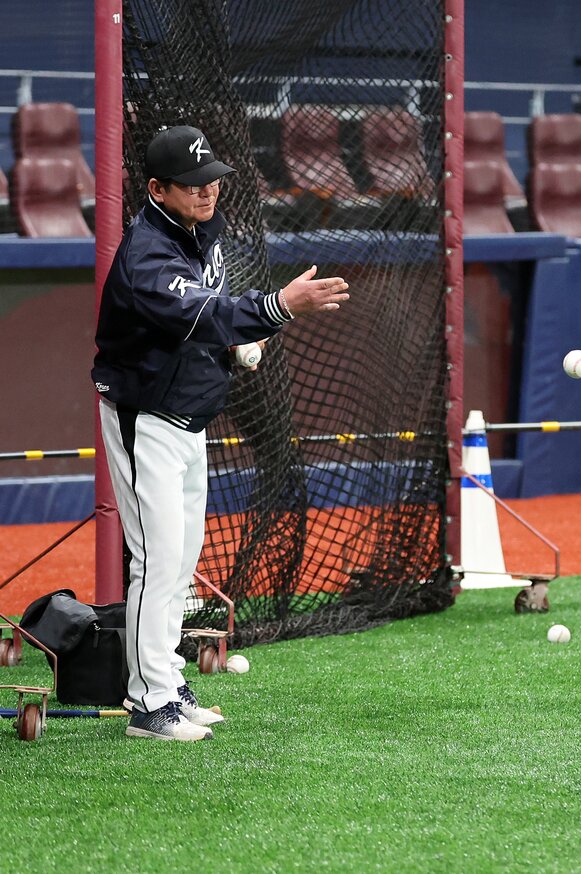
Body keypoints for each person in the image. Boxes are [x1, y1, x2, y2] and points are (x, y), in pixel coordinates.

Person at [93, 125, 350, 741]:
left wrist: (233, 351)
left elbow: (205, 318)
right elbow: (201, 312)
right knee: (155, 563)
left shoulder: (200, 230)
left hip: (189, 416)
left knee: (178, 563)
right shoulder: (146, 253)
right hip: (145, 417)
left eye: (212, 181)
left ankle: (167, 685)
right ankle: (149, 704)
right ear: (158, 189)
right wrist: (279, 307)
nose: (208, 192)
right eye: (193, 184)